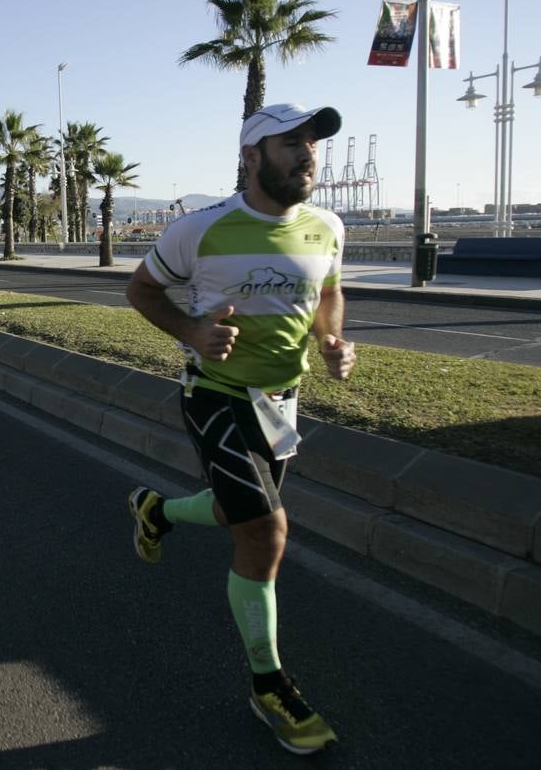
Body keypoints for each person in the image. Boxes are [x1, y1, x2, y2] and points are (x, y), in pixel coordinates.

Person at [124, 104, 355, 757]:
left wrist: (333, 339)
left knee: (235, 512)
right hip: (216, 394)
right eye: (290, 144)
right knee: (264, 529)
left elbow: (329, 293)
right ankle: (268, 685)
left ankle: (156, 510)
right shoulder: (200, 230)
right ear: (251, 156)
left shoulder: (327, 226)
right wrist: (194, 332)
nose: (307, 154)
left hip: (283, 400)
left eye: (312, 143)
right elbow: (142, 291)